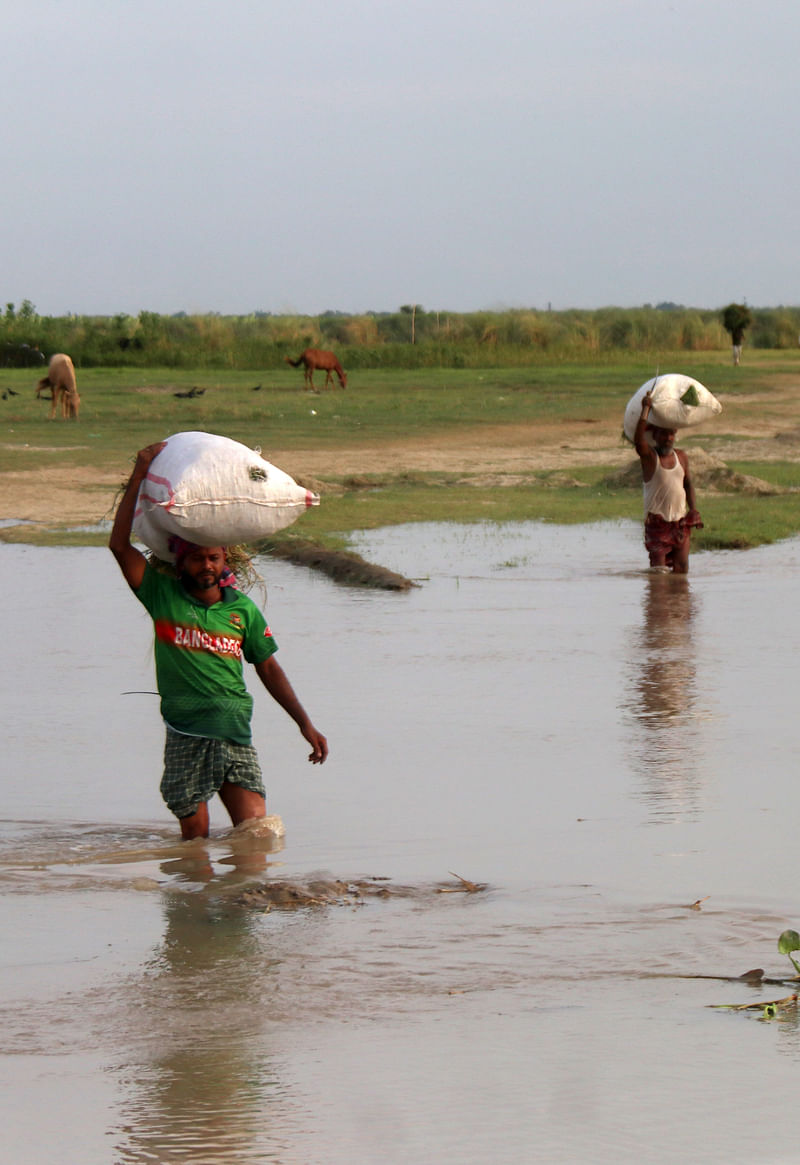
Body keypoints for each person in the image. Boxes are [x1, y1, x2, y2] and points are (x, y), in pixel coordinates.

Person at [109, 441, 328, 839]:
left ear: (226, 558)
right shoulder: (162, 595)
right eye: (196, 558)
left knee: (256, 839)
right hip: (186, 736)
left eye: (213, 557)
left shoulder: (242, 610)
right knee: (194, 848)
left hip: (235, 734)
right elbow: (119, 547)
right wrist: (140, 472)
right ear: (179, 560)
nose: (206, 566)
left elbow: (269, 667)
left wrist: (305, 724)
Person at [634, 391, 703, 574]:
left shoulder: (681, 457)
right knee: (659, 575)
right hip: (657, 526)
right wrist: (645, 409)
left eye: (671, 434)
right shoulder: (650, 458)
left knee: (682, 572)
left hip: (680, 523)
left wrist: (694, 509)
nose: (669, 438)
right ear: (655, 436)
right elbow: (638, 442)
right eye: (664, 434)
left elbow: (687, 484)